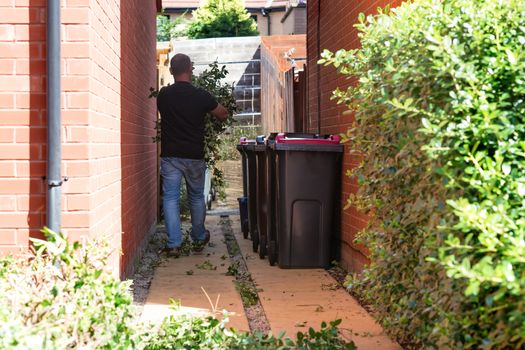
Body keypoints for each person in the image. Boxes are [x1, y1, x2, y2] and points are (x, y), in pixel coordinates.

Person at [157, 53, 229, 257]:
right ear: (190, 69)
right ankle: (198, 237)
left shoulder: (163, 96)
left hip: (171, 155)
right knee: (196, 197)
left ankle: (173, 244)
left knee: (170, 198)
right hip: (194, 155)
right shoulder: (201, 96)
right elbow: (222, 113)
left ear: (171, 71)